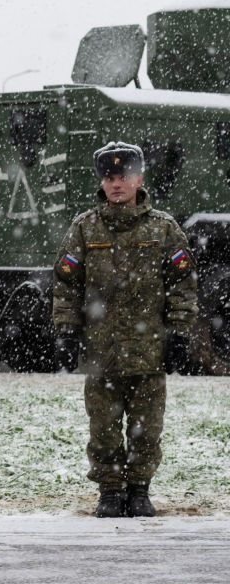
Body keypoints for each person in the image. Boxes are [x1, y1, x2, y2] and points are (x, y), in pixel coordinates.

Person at [52, 141, 197, 519]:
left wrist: (180, 332)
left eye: (124, 176)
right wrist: (66, 330)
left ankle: (139, 490)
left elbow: (182, 284)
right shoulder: (84, 229)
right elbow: (67, 284)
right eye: (109, 177)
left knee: (146, 428)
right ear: (102, 183)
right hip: (102, 352)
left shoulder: (163, 229)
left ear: (139, 179)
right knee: (103, 426)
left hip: (150, 350)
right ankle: (111, 490)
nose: (117, 184)